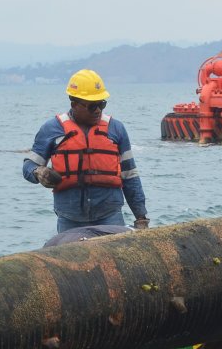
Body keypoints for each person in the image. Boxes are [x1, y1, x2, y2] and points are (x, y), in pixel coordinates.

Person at [24, 69, 149, 233]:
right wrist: (39, 172)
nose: (98, 110)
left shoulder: (116, 129)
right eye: (92, 106)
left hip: (109, 216)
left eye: (101, 104)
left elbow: (130, 176)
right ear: (74, 104)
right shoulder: (52, 129)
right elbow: (28, 166)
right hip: (69, 219)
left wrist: (141, 217)